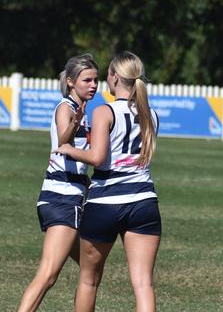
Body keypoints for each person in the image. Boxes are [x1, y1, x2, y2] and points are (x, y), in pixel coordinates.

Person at [55, 51, 161, 312]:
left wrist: (67, 148)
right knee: (143, 285)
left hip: (106, 202)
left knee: (89, 281)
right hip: (144, 201)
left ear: (114, 77)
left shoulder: (104, 111)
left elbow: (97, 157)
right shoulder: (151, 113)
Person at [17, 54, 99, 312]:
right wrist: (74, 125)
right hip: (62, 198)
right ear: (72, 82)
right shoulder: (67, 108)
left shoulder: (81, 110)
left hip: (67, 196)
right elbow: (64, 142)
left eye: (96, 80)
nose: (94, 85)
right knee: (48, 275)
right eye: (87, 80)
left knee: (91, 268)